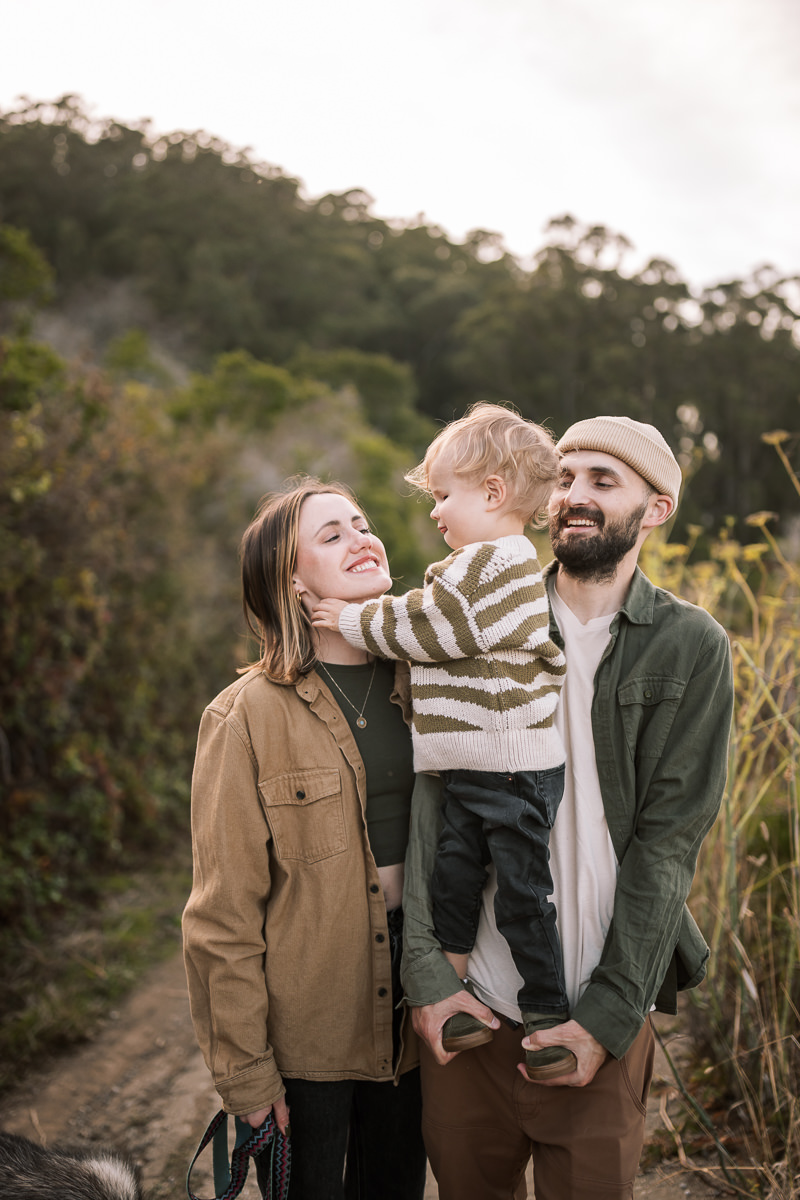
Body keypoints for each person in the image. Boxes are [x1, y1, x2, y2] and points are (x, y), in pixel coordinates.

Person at [401, 415, 735, 1200]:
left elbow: (667, 845)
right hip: (472, 1008)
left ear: (655, 510)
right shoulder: (480, 616)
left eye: (602, 481)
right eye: (563, 477)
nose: (573, 495)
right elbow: (433, 802)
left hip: (592, 1016)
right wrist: (428, 978)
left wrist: (611, 1017)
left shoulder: (690, 646)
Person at [313, 404, 575, 1081]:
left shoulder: (501, 565)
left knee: (521, 891)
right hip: (469, 769)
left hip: (512, 771)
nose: (435, 513)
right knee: (456, 879)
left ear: (491, 493)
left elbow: (435, 629)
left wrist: (350, 618)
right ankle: (451, 997)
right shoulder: (471, 565)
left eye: (442, 496)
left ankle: (546, 1011)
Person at [182, 478, 428, 1200]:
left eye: (362, 522)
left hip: (420, 1025)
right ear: (290, 580)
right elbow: (221, 917)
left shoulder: (429, 683)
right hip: (308, 1042)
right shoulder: (244, 717)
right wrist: (247, 1079)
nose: (362, 538)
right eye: (333, 534)